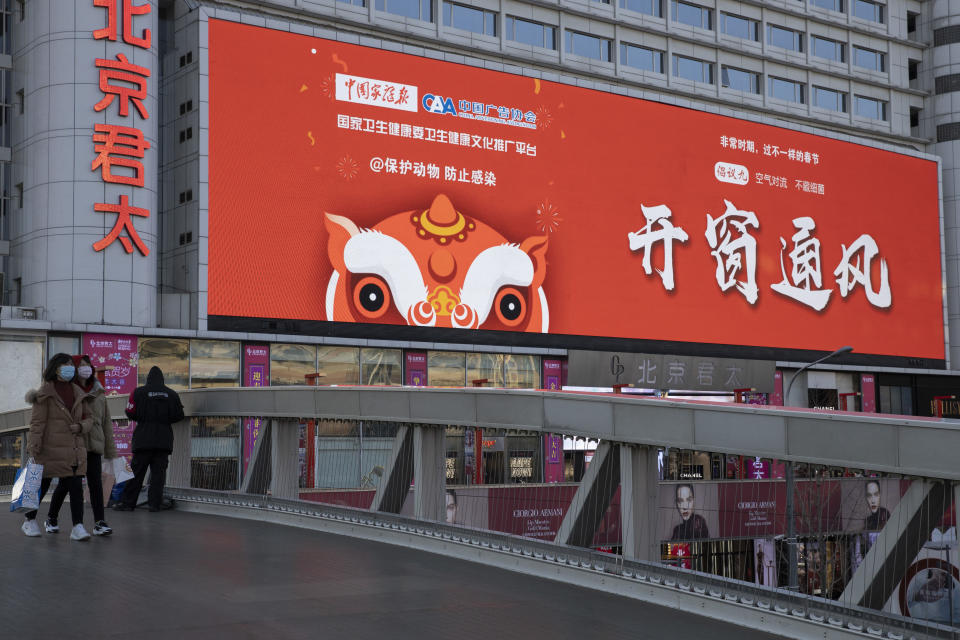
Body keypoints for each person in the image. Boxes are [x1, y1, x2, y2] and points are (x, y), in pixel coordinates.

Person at [21, 353, 93, 540]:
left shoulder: (78, 392)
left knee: (76, 485)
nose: (70, 368)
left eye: (71, 365)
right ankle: (29, 520)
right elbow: (37, 422)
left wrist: (80, 427)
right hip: (49, 448)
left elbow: (89, 418)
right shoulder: (45, 392)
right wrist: (34, 445)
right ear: (57, 368)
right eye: (66, 365)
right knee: (41, 484)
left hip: (72, 448)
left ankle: (78, 526)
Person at [50, 355, 116, 536]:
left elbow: (106, 423)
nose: (85, 369)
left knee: (96, 483)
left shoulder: (99, 393)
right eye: (81, 366)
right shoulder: (67, 391)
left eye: (88, 366)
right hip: (74, 446)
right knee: (67, 484)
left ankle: (99, 522)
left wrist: (110, 450)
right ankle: (52, 517)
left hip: (94, 445)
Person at [114, 366, 184, 512]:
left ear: (148, 378)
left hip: (143, 439)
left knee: (137, 473)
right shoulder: (172, 394)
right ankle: (155, 504)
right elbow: (179, 415)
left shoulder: (139, 392)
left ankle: (128, 503)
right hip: (164, 440)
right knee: (158, 475)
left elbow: (130, 412)